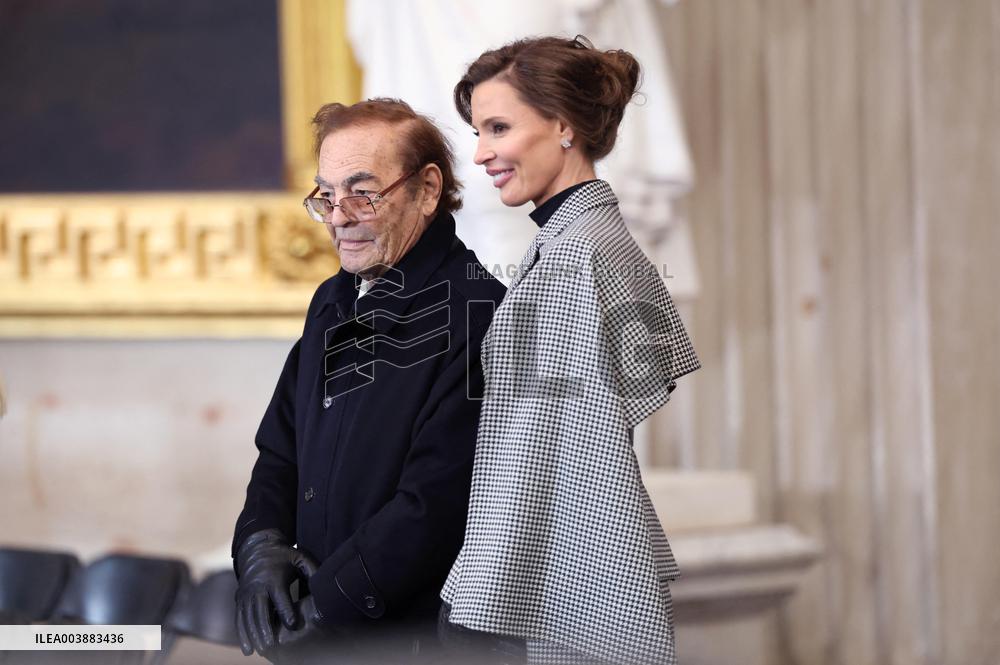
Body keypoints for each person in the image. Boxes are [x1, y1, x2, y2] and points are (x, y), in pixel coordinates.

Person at [438, 37, 700, 665]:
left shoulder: (574, 253)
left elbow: (549, 447)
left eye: (499, 127)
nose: (481, 154)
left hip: (565, 580)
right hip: (571, 567)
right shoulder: (583, 236)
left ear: (563, 125)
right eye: (478, 131)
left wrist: (479, 589)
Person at [232, 98, 506, 664]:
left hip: (409, 644)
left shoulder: (478, 310)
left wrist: (330, 607)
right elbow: (280, 451)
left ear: (427, 190)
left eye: (363, 192)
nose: (338, 216)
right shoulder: (332, 300)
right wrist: (261, 547)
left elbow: (436, 502)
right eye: (326, 196)